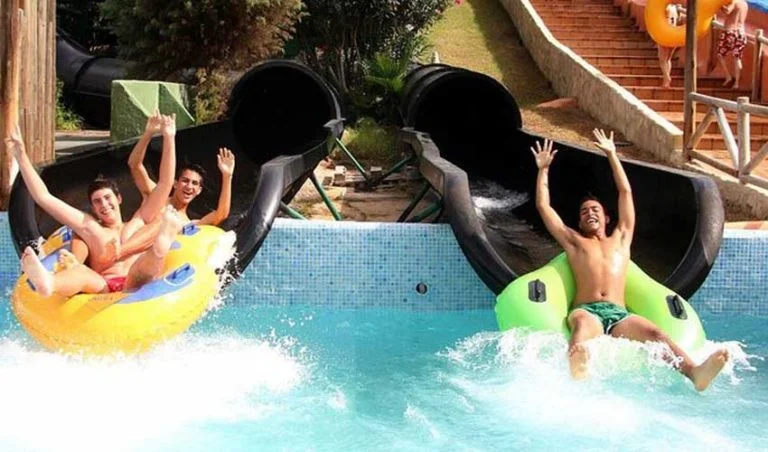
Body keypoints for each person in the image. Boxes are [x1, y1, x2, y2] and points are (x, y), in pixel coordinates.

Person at [531, 129, 729, 391]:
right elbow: (544, 207)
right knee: (581, 330)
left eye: (595, 210)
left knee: (656, 334)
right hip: (586, 310)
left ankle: (695, 373)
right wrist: (543, 170)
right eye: (584, 212)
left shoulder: (622, 238)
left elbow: (625, 192)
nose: (590, 213)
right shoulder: (574, 242)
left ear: (606, 218)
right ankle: (578, 372)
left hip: (619, 314)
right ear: (579, 222)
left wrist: (612, 155)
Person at [6, 113, 183, 297]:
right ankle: (49, 283)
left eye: (107, 198)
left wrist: (169, 137)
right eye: (97, 202)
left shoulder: (138, 222)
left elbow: (165, 184)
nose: (104, 204)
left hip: (134, 282)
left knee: (144, 264)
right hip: (103, 287)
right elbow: (44, 198)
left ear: (119, 198)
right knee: (81, 273)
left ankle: (160, 245)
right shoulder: (90, 227)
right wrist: (21, 156)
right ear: (93, 208)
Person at [127, 116, 235, 225]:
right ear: (175, 183)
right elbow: (135, 165)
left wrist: (227, 176)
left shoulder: (186, 224)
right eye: (185, 180)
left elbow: (221, 215)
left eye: (194, 183)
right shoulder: (154, 193)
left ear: (199, 191)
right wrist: (148, 133)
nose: (189, 186)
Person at [717, 0, 749, 88]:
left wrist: (718, 5)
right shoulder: (745, 4)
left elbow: (727, 11)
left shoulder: (734, 1)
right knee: (737, 58)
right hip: (741, 33)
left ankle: (728, 76)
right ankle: (736, 83)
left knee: (720, 54)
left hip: (730, 32)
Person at [658, 3, 686, 88]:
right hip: (674, 35)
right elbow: (681, 19)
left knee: (662, 59)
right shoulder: (676, 8)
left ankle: (667, 77)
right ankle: (666, 82)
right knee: (668, 59)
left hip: (665, 34)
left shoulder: (664, 7)